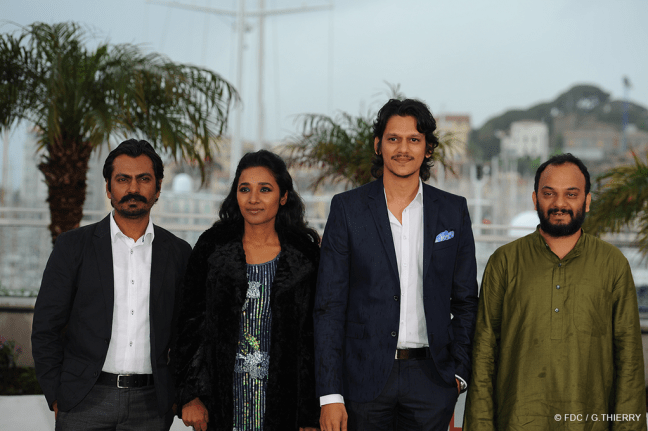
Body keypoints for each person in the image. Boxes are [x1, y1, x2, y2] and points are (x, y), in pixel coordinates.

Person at [315, 98, 479, 431]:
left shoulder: (453, 211)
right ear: (378, 145)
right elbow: (329, 307)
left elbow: (465, 300)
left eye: (414, 139)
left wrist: (459, 373)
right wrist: (330, 395)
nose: (403, 149)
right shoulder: (347, 209)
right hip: (362, 379)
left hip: (432, 380)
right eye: (394, 139)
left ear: (428, 149)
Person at [463, 153, 647, 430]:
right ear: (535, 199)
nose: (559, 204)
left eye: (571, 194)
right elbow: (483, 354)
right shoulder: (505, 261)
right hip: (516, 420)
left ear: (587, 201)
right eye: (549, 194)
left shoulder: (613, 264)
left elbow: (629, 358)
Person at [31, 139, 192, 430]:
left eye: (144, 179)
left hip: (151, 406)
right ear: (108, 188)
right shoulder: (73, 247)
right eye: (123, 179)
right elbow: (46, 327)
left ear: (158, 188)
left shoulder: (179, 253)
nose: (133, 188)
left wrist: (176, 394)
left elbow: (187, 335)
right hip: (83, 401)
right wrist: (56, 394)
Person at [173, 150, 320, 431]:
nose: (253, 199)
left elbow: (315, 339)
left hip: (287, 407)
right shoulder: (211, 248)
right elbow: (189, 326)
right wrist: (190, 395)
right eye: (244, 189)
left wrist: (311, 413)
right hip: (221, 403)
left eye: (265, 189)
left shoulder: (306, 257)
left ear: (283, 196)